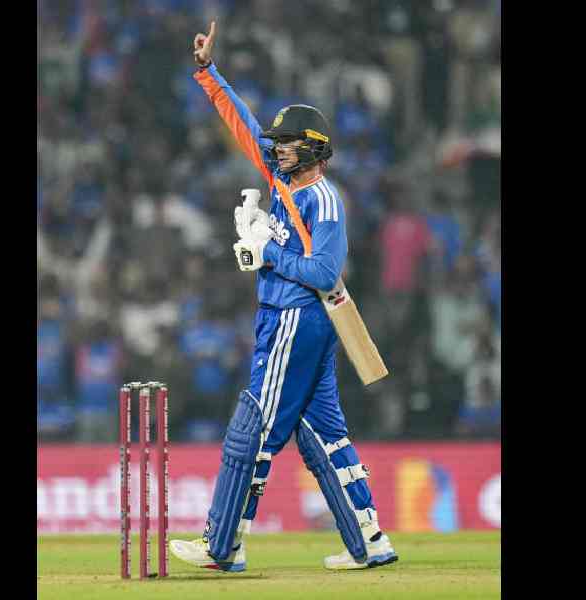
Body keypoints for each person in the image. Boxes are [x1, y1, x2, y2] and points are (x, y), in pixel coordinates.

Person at [169, 21, 398, 573]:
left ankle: (222, 545)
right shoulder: (282, 182)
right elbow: (246, 126)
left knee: (253, 424)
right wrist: (207, 73)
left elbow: (323, 271)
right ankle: (367, 540)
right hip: (293, 321)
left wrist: (268, 255)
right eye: (277, 145)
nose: (277, 151)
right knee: (322, 433)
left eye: (288, 145)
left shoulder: (322, 198)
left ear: (314, 149)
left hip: (296, 319)